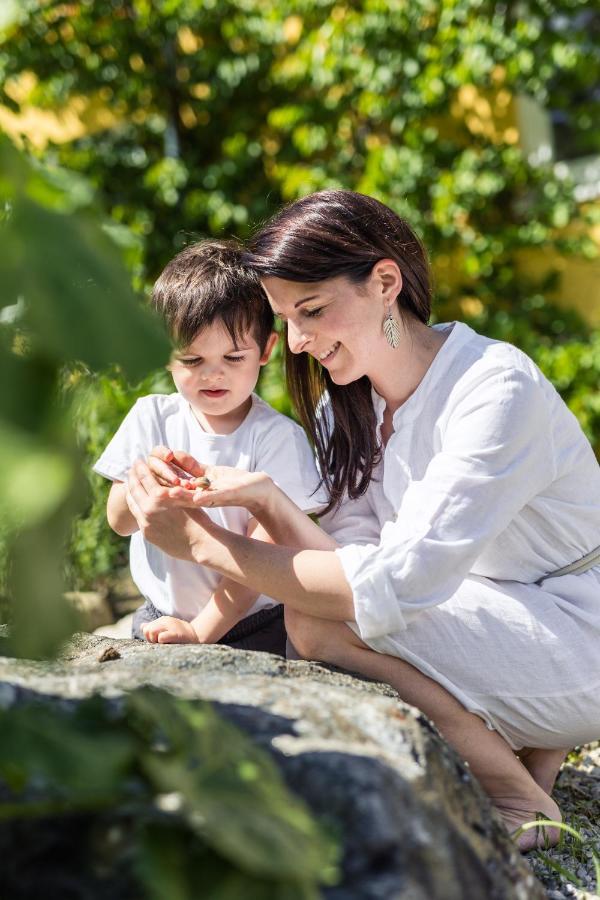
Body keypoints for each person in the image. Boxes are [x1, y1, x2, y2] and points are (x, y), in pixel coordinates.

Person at [124, 191, 600, 850]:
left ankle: (517, 793)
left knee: (316, 621)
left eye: (312, 310)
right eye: (286, 318)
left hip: (577, 630)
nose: (298, 340)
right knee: (313, 617)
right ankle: (528, 744)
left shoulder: (494, 388)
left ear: (384, 282)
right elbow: (344, 564)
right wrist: (268, 500)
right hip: (494, 618)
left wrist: (208, 545)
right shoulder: (345, 414)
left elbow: (390, 584)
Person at [94, 239, 326, 655]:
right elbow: (119, 521)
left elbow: (261, 558)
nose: (213, 375)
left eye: (234, 358)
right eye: (192, 360)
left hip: (255, 622)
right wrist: (142, 481)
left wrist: (202, 632)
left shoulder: (277, 439)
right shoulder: (153, 419)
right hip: (158, 613)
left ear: (266, 351)